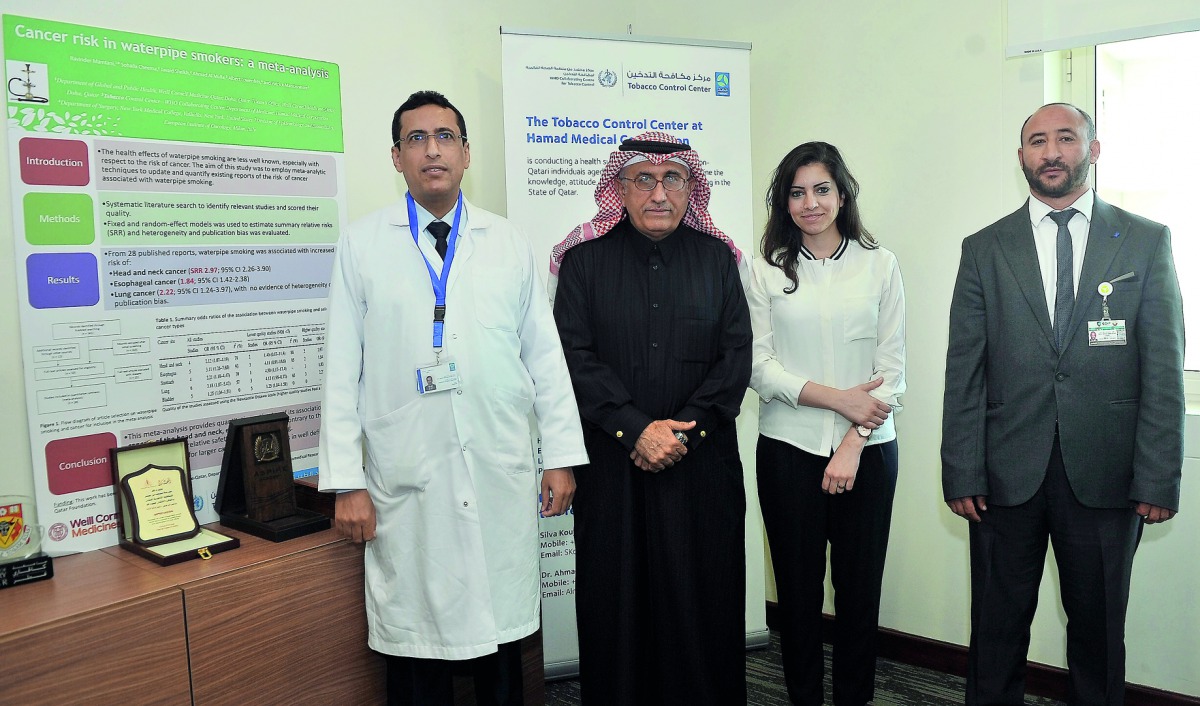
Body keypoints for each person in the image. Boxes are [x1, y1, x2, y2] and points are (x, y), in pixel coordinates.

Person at [317, 90, 588, 706]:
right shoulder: (362, 245)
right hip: (408, 473)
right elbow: (340, 370)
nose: (431, 149)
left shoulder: (508, 243)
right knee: (418, 648)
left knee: (500, 643)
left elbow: (545, 358)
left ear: (466, 153)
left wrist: (561, 456)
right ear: (396, 156)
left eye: (445, 137)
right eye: (416, 138)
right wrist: (346, 481)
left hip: (496, 464)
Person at [942, 102, 1185, 706]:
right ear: (1021, 157)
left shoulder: (1146, 241)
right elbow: (964, 370)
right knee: (995, 634)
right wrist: (961, 469)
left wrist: (1158, 475)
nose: (1051, 152)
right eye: (1036, 141)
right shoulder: (984, 248)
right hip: (1004, 478)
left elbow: (1163, 369)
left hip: (1106, 477)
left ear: (1093, 149)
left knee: (1099, 636)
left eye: (1066, 139)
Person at [550, 132, 752, 705]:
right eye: (644, 179)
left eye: (673, 179)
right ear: (620, 188)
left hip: (702, 466)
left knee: (703, 601)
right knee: (617, 604)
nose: (659, 193)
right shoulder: (584, 263)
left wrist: (682, 431)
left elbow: (735, 356)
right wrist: (635, 428)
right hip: (614, 469)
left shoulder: (717, 260)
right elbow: (573, 356)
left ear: (692, 189)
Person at [747, 142, 905, 706]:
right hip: (787, 449)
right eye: (796, 192)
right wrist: (839, 400)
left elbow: (892, 373)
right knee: (796, 595)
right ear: (783, 202)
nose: (810, 203)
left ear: (842, 195)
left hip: (868, 453)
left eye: (821, 189)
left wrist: (854, 441)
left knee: (860, 596)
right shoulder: (762, 269)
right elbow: (758, 367)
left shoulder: (880, 264)